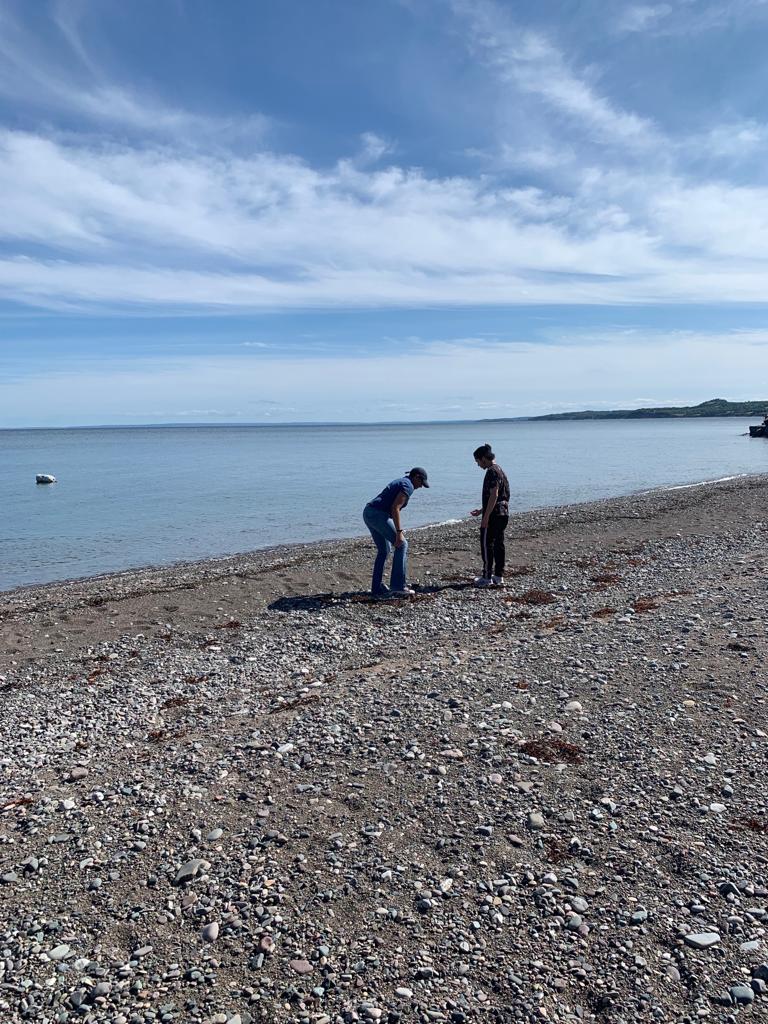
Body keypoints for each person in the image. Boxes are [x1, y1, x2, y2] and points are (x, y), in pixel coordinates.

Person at [363, 467, 429, 597]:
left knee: (384, 550)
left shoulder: (402, 482)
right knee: (402, 544)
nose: (420, 487)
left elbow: (392, 508)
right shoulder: (408, 485)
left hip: (368, 512)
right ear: (416, 477)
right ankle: (398, 586)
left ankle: (377, 588)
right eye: (421, 483)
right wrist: (399, 532)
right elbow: (395, 508)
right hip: (378, 515)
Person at [470, 443, 510, 586]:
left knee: (487, 544)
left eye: (478, 462)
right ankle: (499, 575)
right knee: (499, 544)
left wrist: (485, 517)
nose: (478, 465)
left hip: (494, 514)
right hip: (503, 513)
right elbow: (500, 497)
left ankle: (487, 577)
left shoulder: (492, 471)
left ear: (483, 459)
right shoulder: (500, 470)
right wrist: (481, 510)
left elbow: (494, 494)